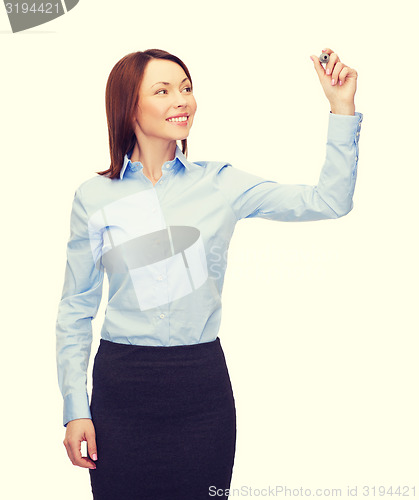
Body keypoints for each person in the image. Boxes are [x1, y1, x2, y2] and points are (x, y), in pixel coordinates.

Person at [56, 47, 363, 499]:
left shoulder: (221, 183)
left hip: (200, 388)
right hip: (122, 389)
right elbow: (76, 309)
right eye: (162, 90)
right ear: (128, 105)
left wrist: (341, 110)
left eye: (186, 88)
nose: (181, 99)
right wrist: (75, 408)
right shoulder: (94, 196)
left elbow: (328, 201)